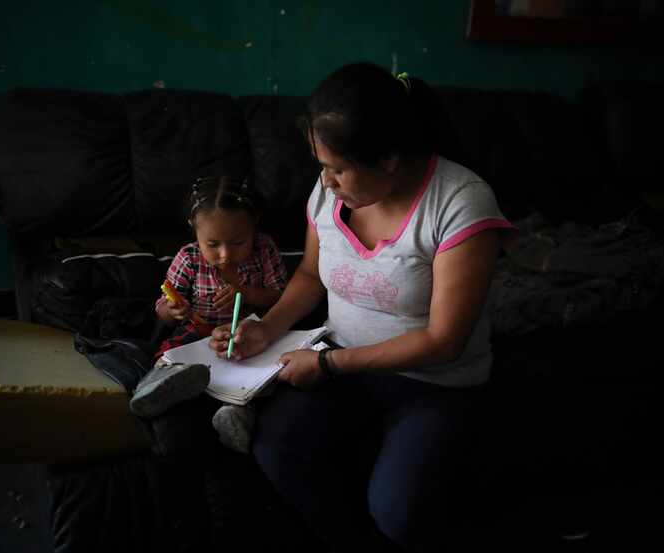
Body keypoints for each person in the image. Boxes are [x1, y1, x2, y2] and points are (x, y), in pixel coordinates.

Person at [208, 62, 514, 553]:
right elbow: (309, 275)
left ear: (389, 159)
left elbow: (444, 341)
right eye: (320, 165)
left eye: (337, 168)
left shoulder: (460, 203)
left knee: (400, 512)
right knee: (277, 448)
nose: (326, 181)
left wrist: (327, 364)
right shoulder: (330, 193)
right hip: (344, 368)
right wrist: (266, 328)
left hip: (434, 385)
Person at [129, 175, 288, 454]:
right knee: (171, 351)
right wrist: (173, 309)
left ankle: (236, 414)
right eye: (213, 244)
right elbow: (163, 309)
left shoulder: (264, 250)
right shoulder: (189, 258)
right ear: (195, 231)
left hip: (248, 333)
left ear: (254, 225)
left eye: (238, 242)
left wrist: (247, 292)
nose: (225, 254)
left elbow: (281, 296)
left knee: (268, 373)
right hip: (198, 332)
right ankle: (161, 383)